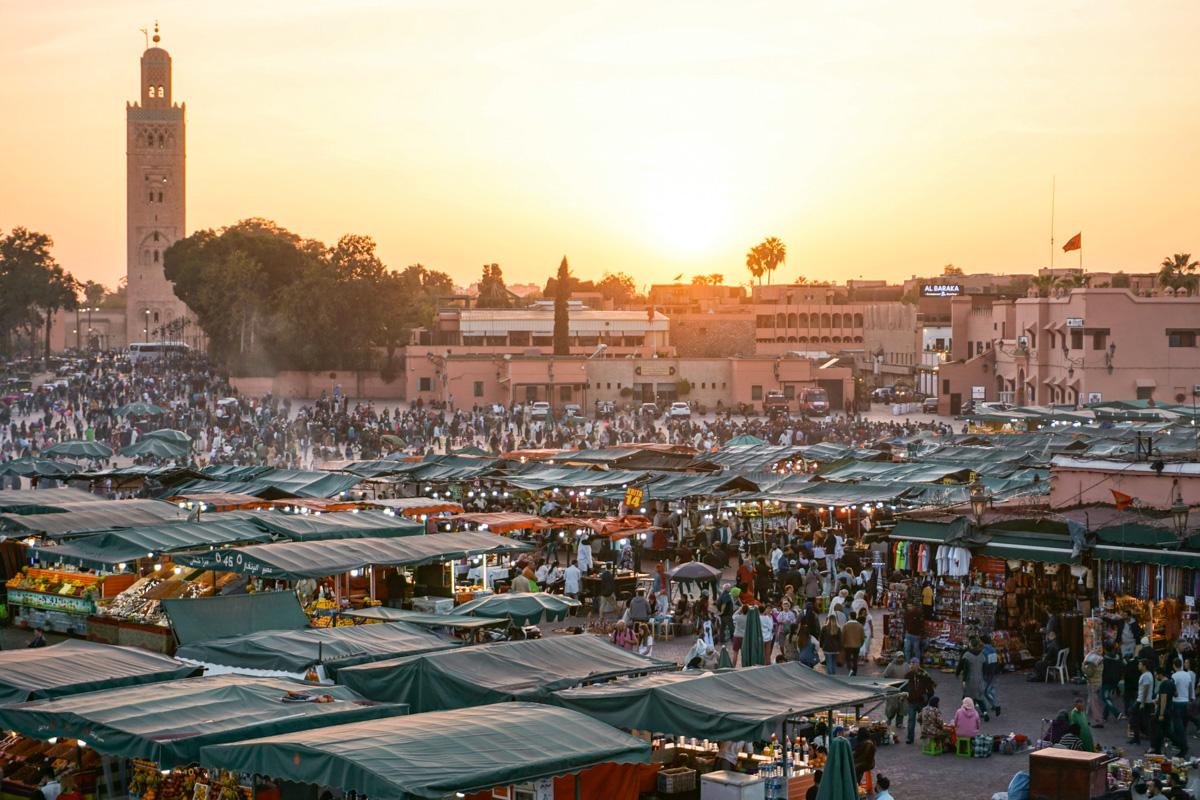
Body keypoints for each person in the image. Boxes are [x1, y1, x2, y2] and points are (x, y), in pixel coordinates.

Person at [905, 659, 937, 745]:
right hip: (911, 701)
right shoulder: (908, 675)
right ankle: (910, 738)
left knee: (923, 720)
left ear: (918, 665)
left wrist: (928, 699)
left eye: (913, 664)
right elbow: (904, 687)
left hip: (922, 702)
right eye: (911, 664)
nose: (911, 665)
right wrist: (905, 695)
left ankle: (924, 736)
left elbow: (930, 688)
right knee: (911, 720)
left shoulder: (924, 675)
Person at [957, 636, 989, 720]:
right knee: (979, 698)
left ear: (971, 645)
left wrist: (962, 678)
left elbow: (964, 668)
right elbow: (985, 667)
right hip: (980, 679)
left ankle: (968, 714)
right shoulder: (982, 655)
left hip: (970, 680)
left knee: (968, 698)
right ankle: (985, 712)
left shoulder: (967, 655)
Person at [1169, 657, 1195, 758]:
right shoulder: (1187, 674)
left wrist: (1174, 694)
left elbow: (1173, 689)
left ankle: (1182, 744)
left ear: (1174, 665)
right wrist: (1189, 699)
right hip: (1185, 701)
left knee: (1177, 725)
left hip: (1177, 702)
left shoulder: (1174, 676)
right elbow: (1189, 687)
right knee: (1183, 724)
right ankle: (1178, 743)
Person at [882, 652, 910, 737]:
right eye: (899, 657)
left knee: (902, 707)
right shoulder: (891, 666)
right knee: (892, 706)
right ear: (896, 658)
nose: (900, 659)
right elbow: (885, 675)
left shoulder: (906, 665)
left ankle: (899, 723)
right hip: (893, 689)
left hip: (904, 688)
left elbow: (909, 675)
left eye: (902, 657)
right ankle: (889, 720)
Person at [1131, 658, 1155, 745]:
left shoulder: (1146, 676)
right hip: (1144, 700)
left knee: (1134, 719)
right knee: (1142, 720)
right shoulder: (1148, 675)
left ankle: (1137, 738)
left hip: (1142, 700)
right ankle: (1140, 737)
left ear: (1144, 666)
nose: (1138, 666)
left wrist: (1142, 703)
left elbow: (1146, 689)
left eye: (1140, 664)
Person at [1100, 644, 1124, 724]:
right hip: (1115, 681)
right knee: (1108, 697)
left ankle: (1116, 713)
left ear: (1106, 650)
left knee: (1105, 698)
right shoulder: (1118, 658)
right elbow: (1122, 669)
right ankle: (1105, 716)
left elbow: (1102, 671)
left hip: (1106, 681)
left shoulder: (1105, 660)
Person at [841, 611, 864, 676]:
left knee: (848, 659)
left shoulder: (846, 625)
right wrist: (861, 643)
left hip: (847, 645)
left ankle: (850, 669)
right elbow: (862, 637)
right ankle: (854, 672)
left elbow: (843, 635)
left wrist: (842, 644)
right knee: (855, 660)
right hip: (857, 645)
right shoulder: (860, 625)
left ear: (850, 616)